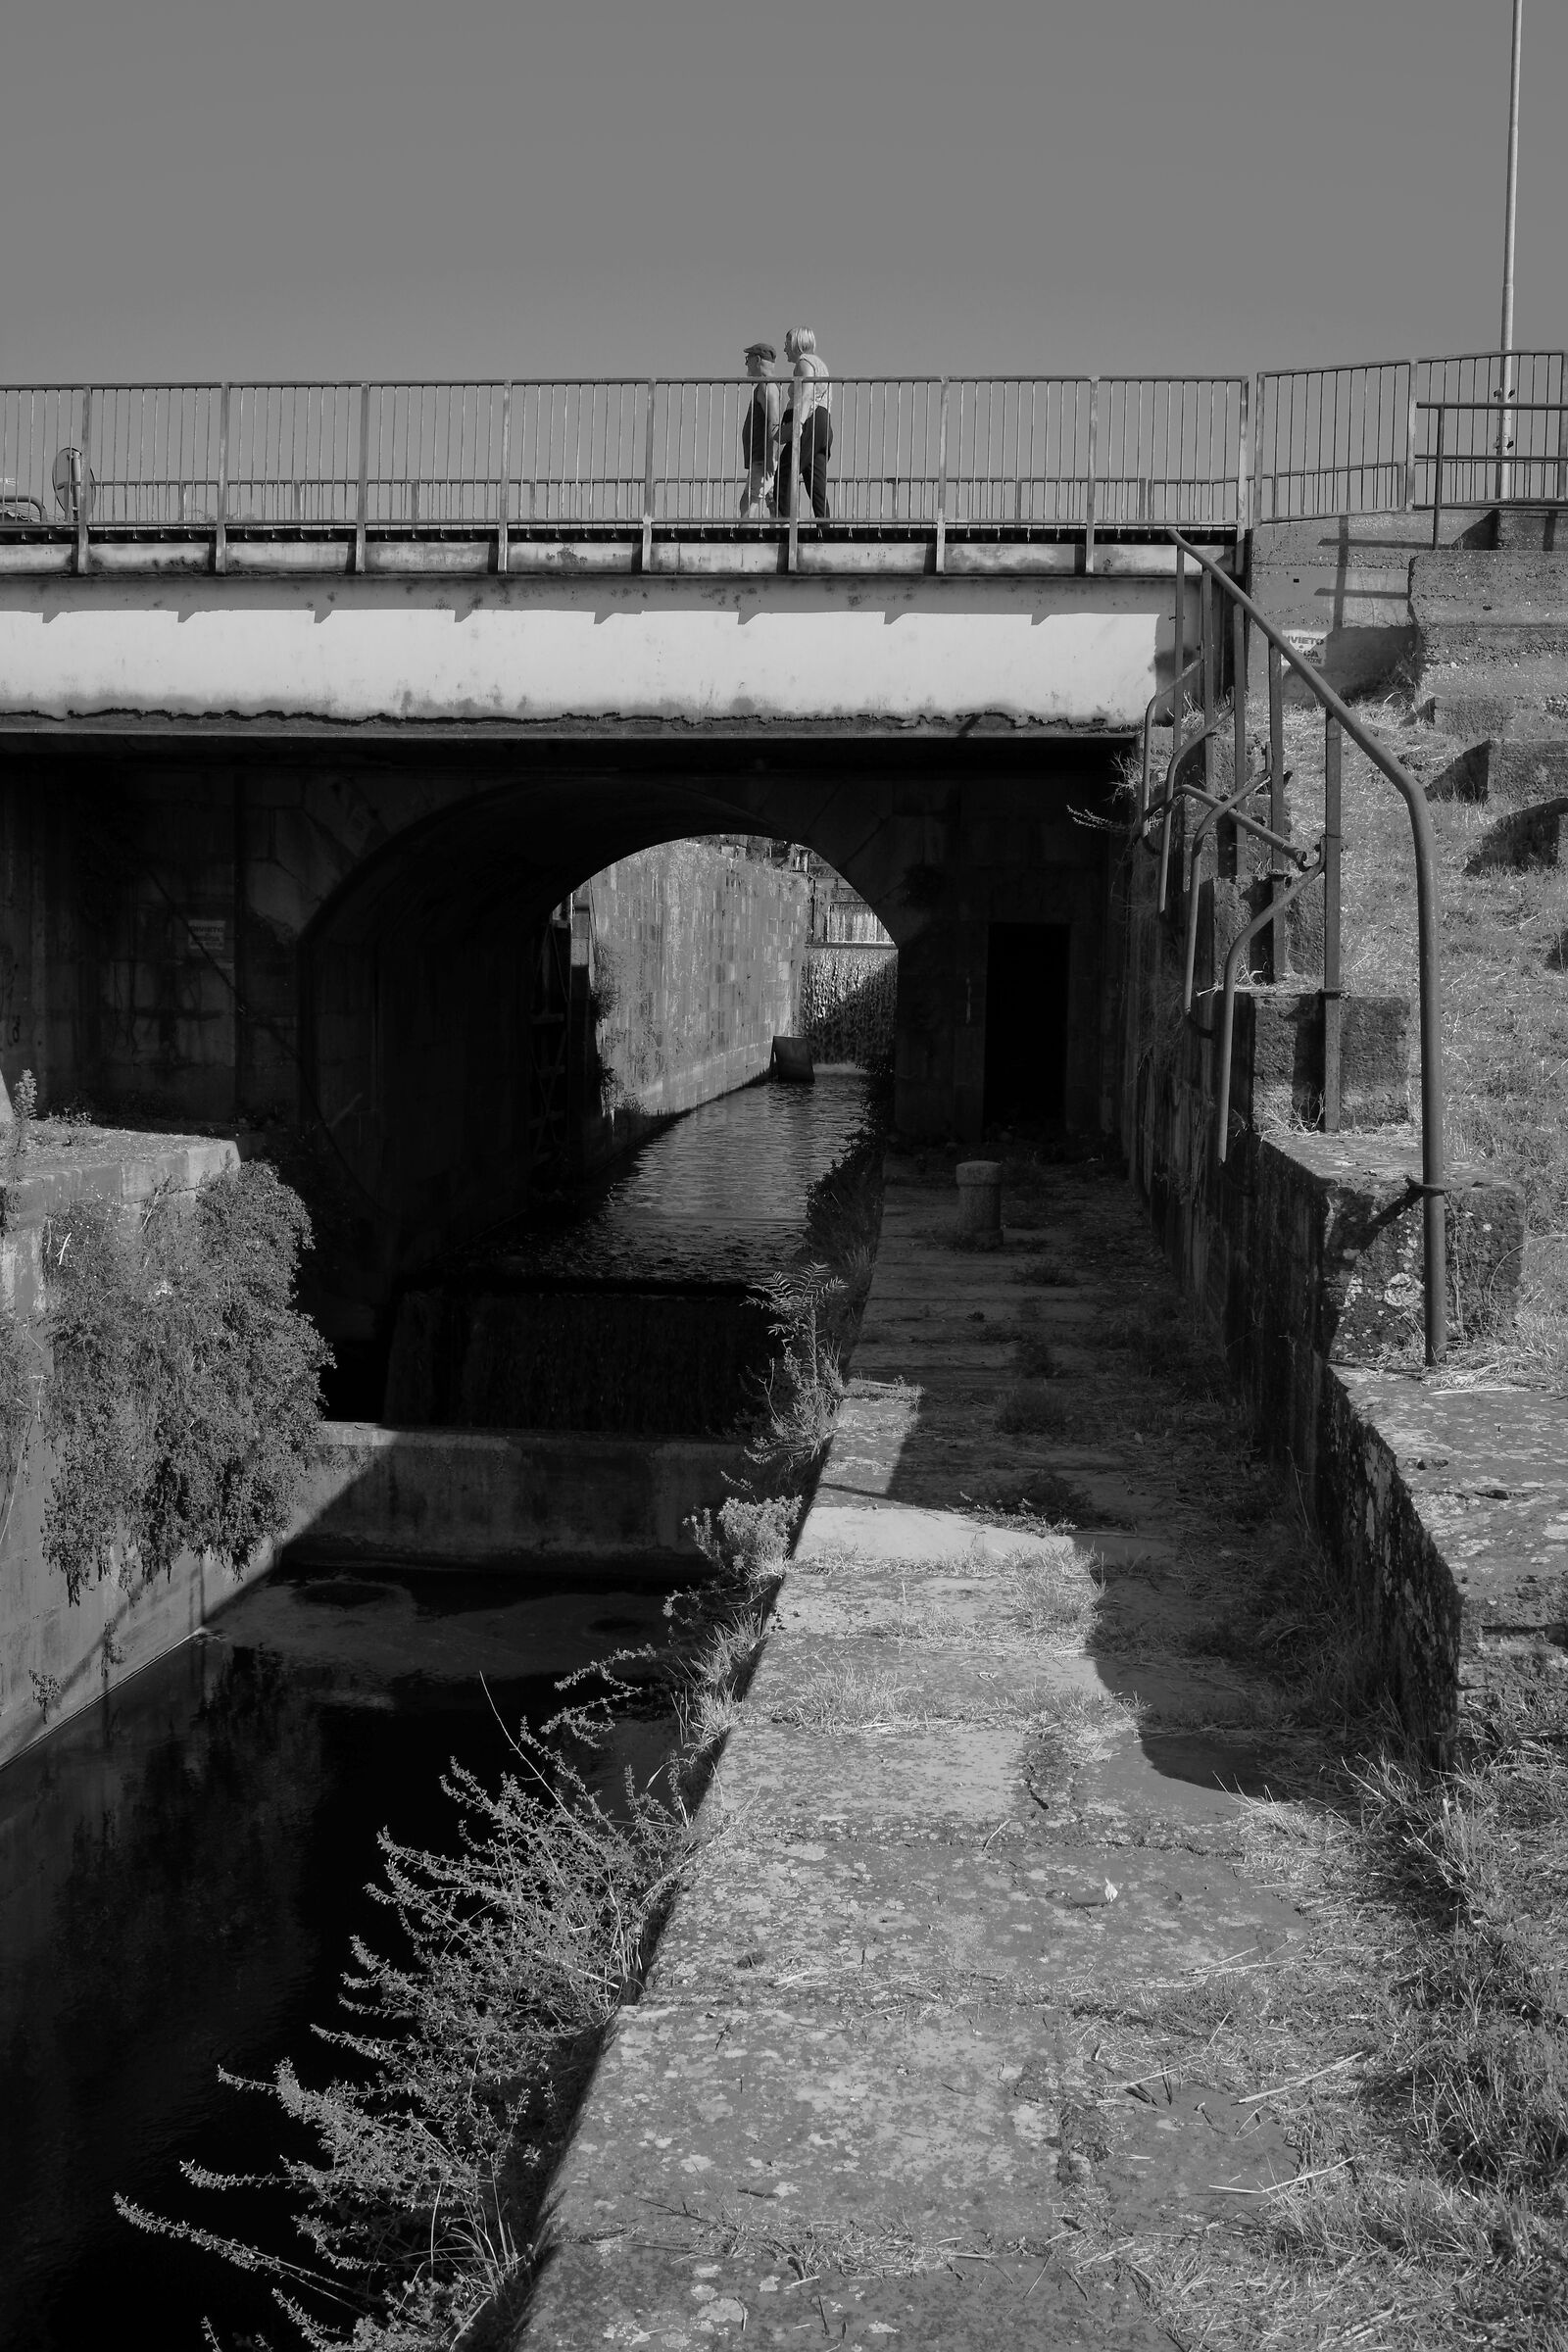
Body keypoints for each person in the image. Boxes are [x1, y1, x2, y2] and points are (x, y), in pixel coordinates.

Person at [776, 345, 832, 522]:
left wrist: (798, 423)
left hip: (809, 419)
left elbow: (806, 394)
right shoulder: (820, 364)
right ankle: (825, 528)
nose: (784, 348)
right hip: (823, 421)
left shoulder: (803, 362)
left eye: (787, 343)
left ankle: (785, 525)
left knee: (785, 474)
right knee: (815, 480)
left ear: (795, 343)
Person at [739, 342, 781, 517]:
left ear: (757, 360)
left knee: (749, 501)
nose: (746, 363)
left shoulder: (766, 386)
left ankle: (744, 542)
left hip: (763, 458)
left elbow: (774, 421)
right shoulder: (767, 386)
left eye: (747, 359)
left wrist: (770, 456)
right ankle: (780, 534)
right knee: (772, 501)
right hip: (763, 457)